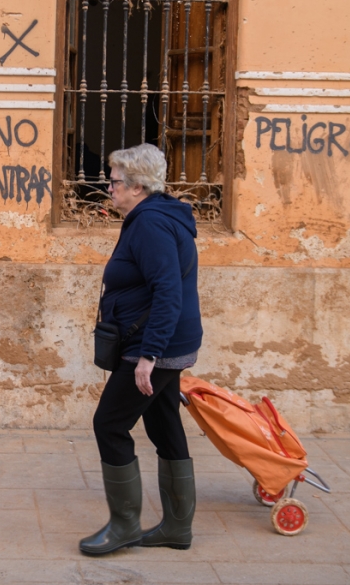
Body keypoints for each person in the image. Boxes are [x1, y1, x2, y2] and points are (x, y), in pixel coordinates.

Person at [80, 143, 201, 556]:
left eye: (114, 181)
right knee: (163, 424)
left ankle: (125, 525)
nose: (108, 188)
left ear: (137, 186)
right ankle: (177, 528)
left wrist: (149, 357)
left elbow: (168, 291)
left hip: (154, 345)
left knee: (109, 425)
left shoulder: (149, 223)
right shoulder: (157, 215)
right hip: (167, 341)